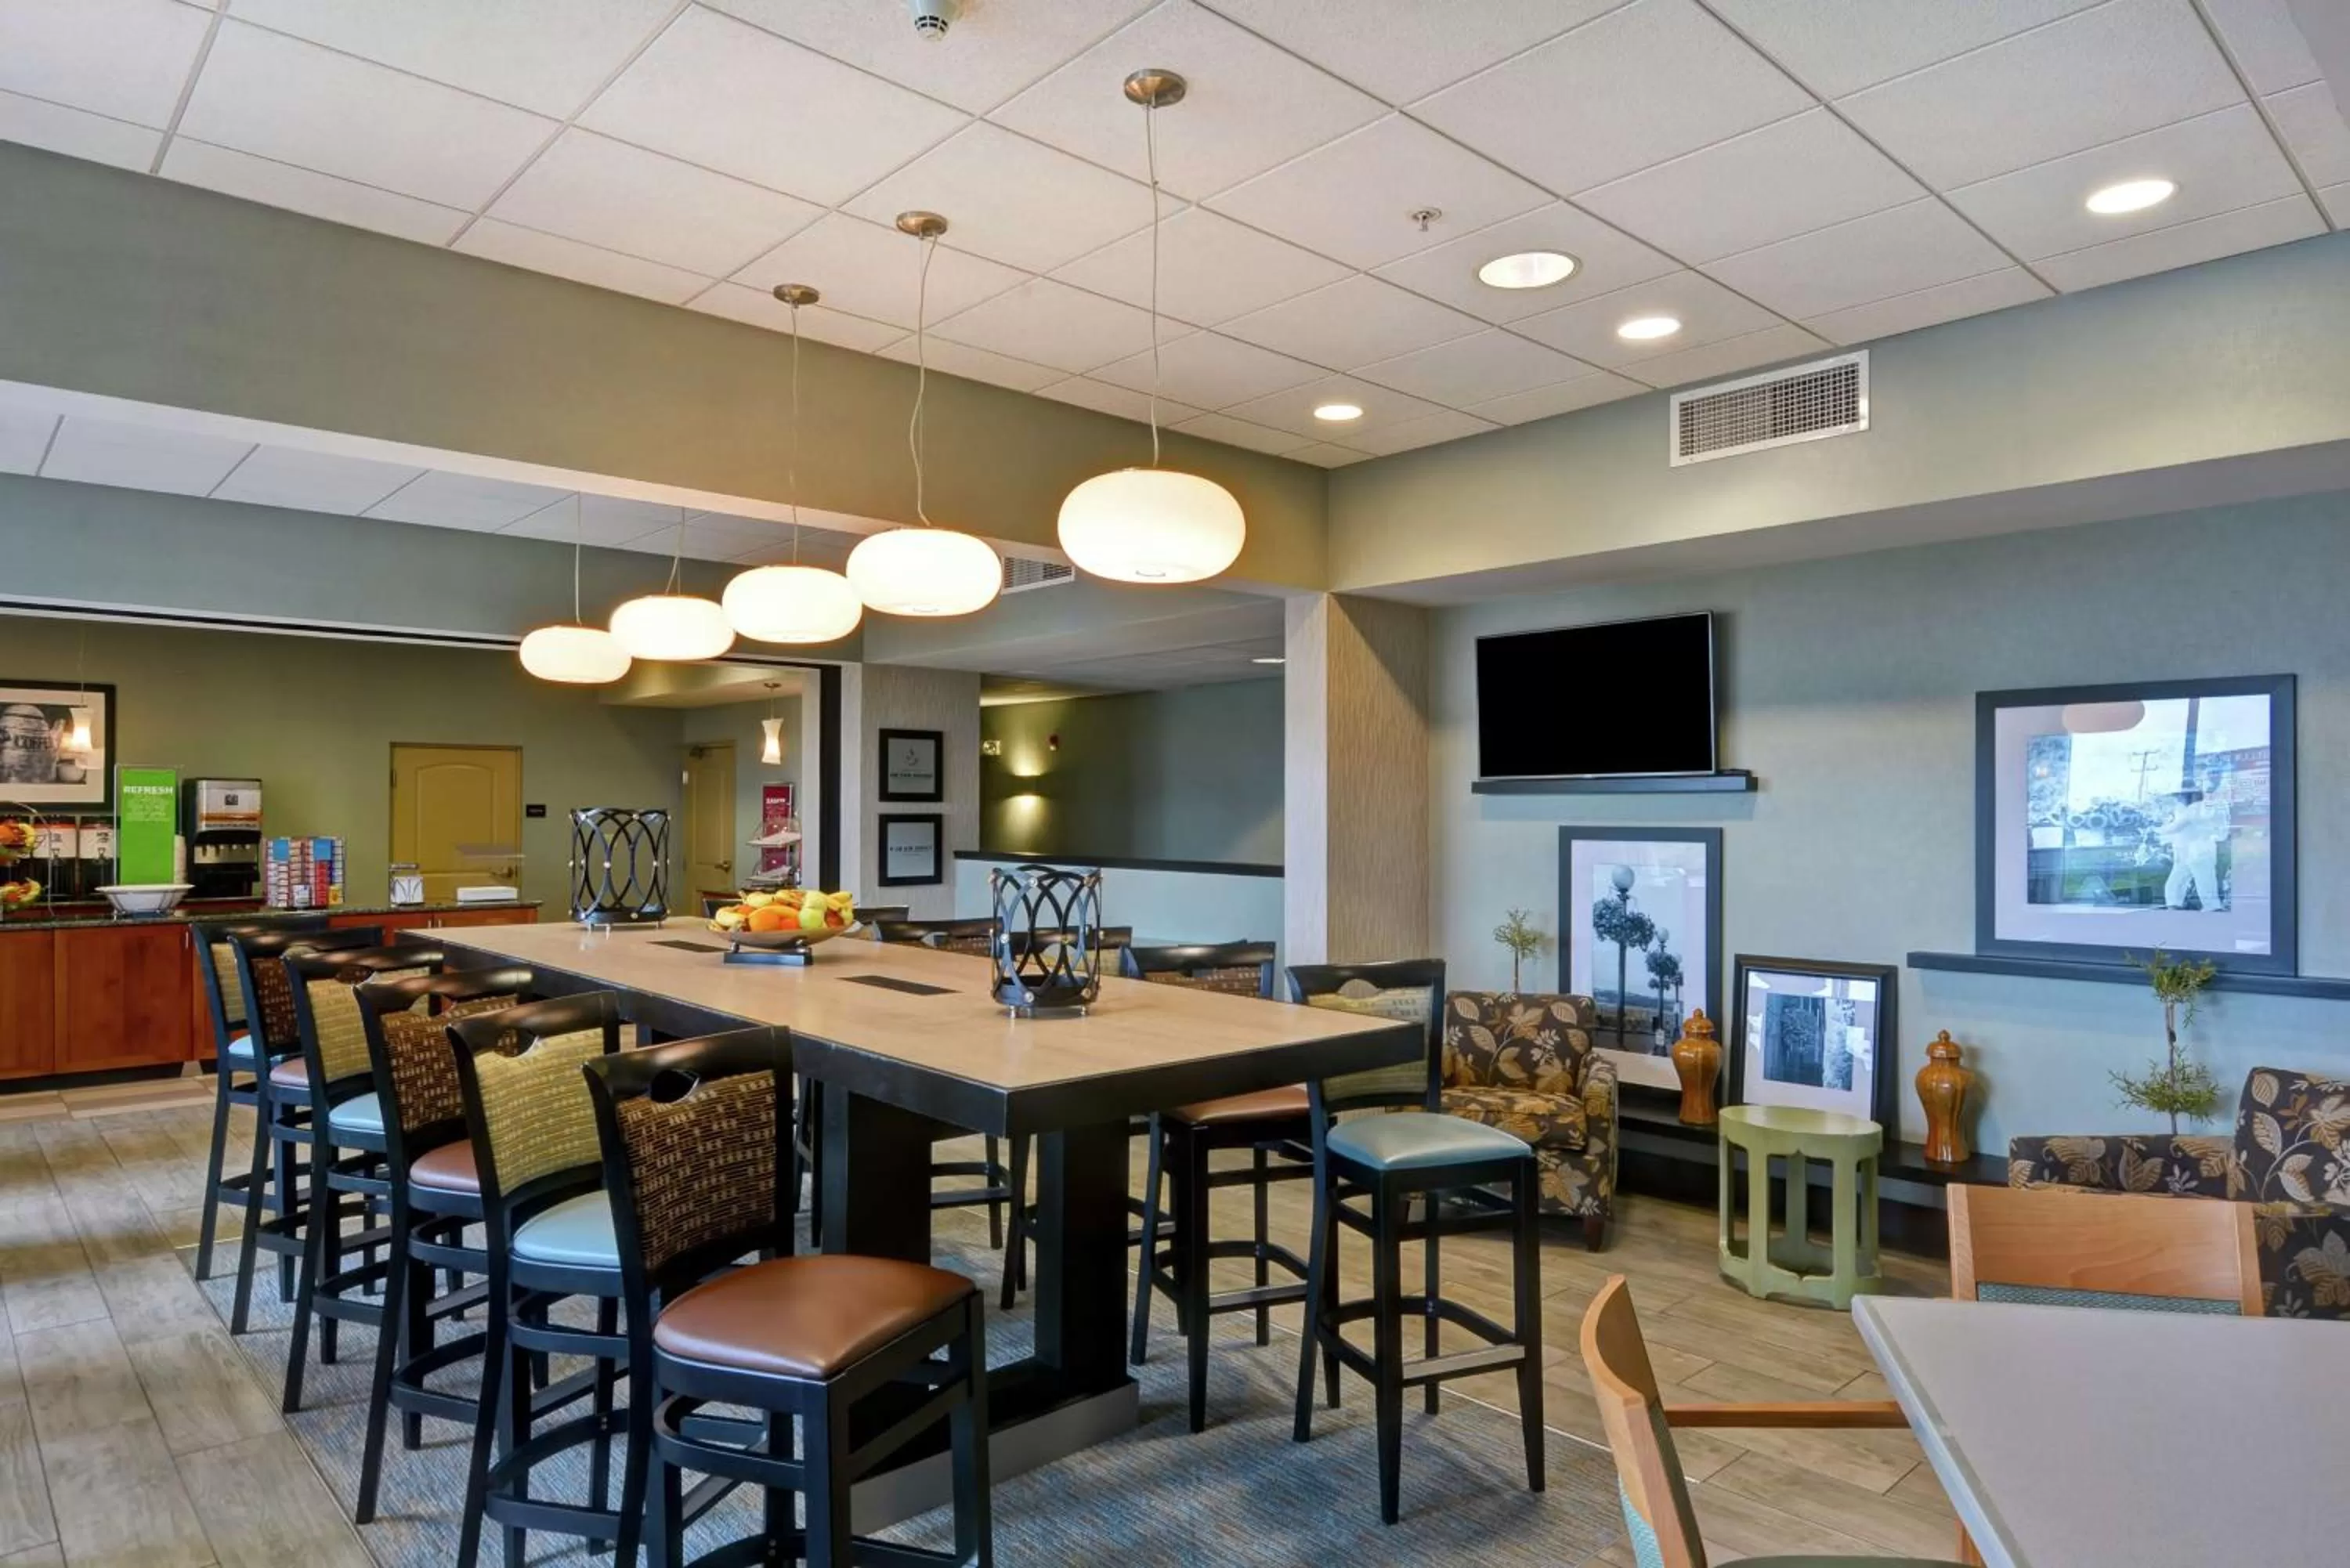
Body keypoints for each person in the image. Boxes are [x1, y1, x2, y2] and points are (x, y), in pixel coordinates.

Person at [2157, 787, 2228, 912]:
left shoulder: (2195, 810)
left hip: (2199, 852)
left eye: (2179, 796)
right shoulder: (2186, 809)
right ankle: (2174, 906)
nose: (2177, 799)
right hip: (2188, 853)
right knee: (2177, 882)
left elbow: (2176, 827)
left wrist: (2157, 830)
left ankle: (2212, 909)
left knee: (2204, 882)